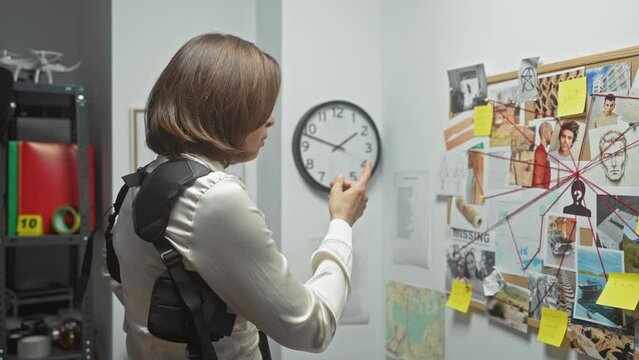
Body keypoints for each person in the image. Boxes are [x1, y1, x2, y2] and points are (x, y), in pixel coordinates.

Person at [110, 33, 371, 359]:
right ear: (226, 111)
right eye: (260, 108)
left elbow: (127, 288)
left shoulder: (137, 186)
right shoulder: (212, 197)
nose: (271, 119)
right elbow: (311, 328)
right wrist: (341, 224)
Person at [532, 122, 553, 188]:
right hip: (540, 194)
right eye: (551, 133)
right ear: (546, 134)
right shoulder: (541, 152)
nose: (553, 136)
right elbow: (538, 181)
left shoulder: (542, 151)